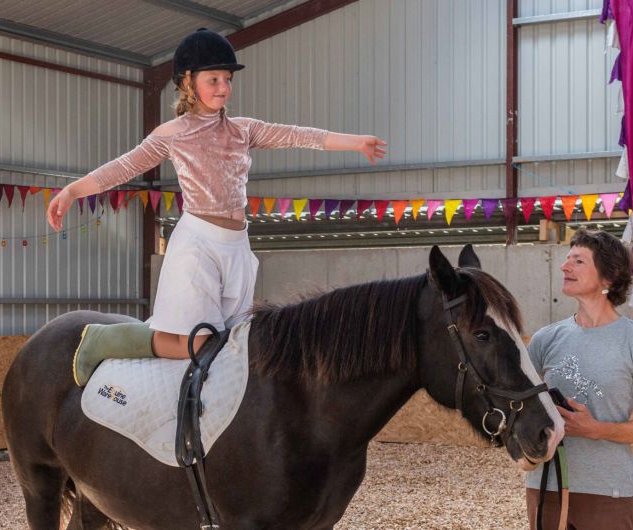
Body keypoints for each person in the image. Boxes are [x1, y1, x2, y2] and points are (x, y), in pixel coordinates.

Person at [47, 29, 387, 382]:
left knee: (232, 344)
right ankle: (107, 338)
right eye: (213, 80)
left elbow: (301, 136)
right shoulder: (173, 133)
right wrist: (72, 191)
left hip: (237, 247)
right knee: (200, 344)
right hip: (198, 245)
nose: (223, 87)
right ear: (188, 83)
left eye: (227, 79)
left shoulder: (243, 129)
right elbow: (124, 166)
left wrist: (356, 142)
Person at [524, 228, 633, 530]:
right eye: (567, 259)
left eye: (578, 261)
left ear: (609, 277)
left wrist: (596, 429)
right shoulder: (544, 339)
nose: (565, 267)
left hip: (608, 492)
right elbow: (520, 404)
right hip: (545, 487)